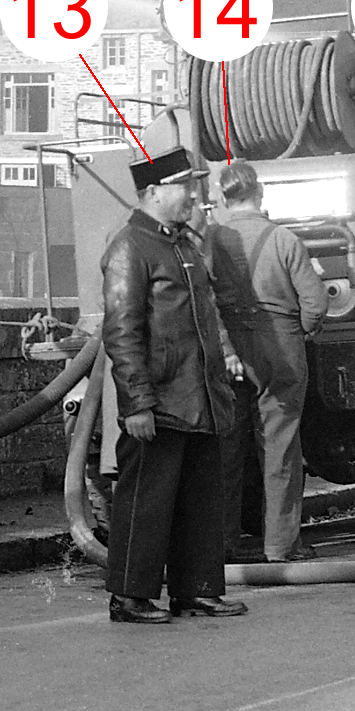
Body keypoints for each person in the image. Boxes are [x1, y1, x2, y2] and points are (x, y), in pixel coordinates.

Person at [99, 149, 249, 624]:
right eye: (186, 187)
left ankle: (196, 589)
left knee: (199, 500)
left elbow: (206, 315)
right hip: (161, 400)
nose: (194, 195)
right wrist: (137, 403)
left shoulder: (182, 245)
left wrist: (223, 359)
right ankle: (129, 595)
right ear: (155, 192)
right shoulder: (130, 247)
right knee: (146, 500)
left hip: (198, 396)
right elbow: (122, 332)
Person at [206, 162, 322, 563]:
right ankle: (280, 546)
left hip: (230, 354)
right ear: (261, 194)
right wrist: (302, 329)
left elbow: (204, 302)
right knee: (281, 448)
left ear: (223, 199)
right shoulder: (284, 239)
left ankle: (221, 544)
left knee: (226, 451)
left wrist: (226, 346)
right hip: (282, 350)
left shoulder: (211, 242)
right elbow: (316, 303)